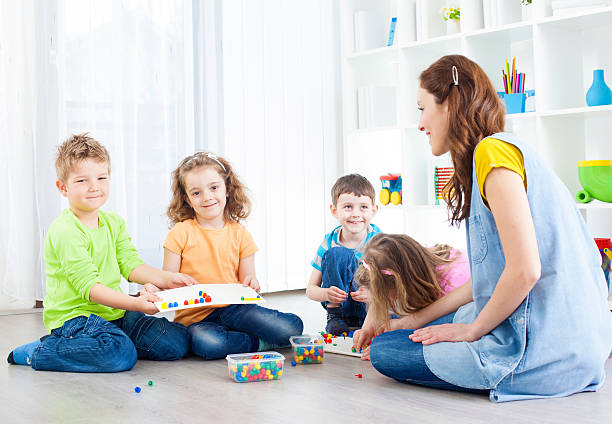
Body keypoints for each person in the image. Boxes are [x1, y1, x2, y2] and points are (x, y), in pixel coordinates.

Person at [360, 54, 612, 402]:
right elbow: (486, 283)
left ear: (448, 103)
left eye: (422, 108)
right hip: (579, 345)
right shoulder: (498, 151)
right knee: (408, 331)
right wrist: (413, 320)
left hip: (545, 352)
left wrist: (472, 330)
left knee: (385, 351)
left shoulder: (492, 154)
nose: (420, 123)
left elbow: (525, 271)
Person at [7, 133, 196, 372]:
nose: (94, 187)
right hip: (75, 319)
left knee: (177, 341)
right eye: (82, 181)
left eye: (101, 178)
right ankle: (41, 351)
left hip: (113, 313)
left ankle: (99, 345)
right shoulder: (65, 230)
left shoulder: (113, 222)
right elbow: (91, 289)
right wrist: (136, 303)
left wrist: (168, 279)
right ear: (63, 187)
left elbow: (130, 265)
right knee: (119, 355)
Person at [159, 151, 303, 359]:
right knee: (207, 344)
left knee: (291, 328)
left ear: (227, 189)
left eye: (214, 188)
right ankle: (259, 342)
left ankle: (244, 337)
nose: (207, 197)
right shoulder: (180, 233)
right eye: (196, 193)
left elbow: (247, 280)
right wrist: (159, 286)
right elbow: (167, 280)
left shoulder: (240, 234)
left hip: (236, 310)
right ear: (187, 199)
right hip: (197, 319)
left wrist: (252, 283)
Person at [352, 233, 469, 358]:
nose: (383, 300)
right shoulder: (409, 263)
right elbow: (381, 295)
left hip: (464, 315)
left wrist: (403, 328)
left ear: (401, 283)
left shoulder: (452, 282)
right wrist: (368, 327)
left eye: (385, 295)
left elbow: (432, 321)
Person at [306, 174, 381, 335]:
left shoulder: (380, 241)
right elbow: (310, 289)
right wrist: (326, 294)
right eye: (348, 207)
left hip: (371, 309)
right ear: (334, 210)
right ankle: (335, 317)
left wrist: (374, 295)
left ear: (373, 210)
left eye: (363, 207)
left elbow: (395, 286)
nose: (355, 214)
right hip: (340, 310)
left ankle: (369, 322)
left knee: (373, 258)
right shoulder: (329, 241)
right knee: (337, 254)